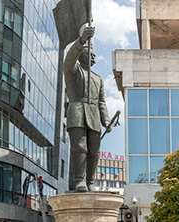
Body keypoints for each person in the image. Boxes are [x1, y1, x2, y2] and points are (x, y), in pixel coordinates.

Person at [64, 26, 112, 192]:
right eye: (90, 53)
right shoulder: (73, 71)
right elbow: (69, 58)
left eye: (94, 55)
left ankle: (90, 181)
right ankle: (80, 180)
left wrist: (106, 120)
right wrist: (82, 40)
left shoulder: (98, 79)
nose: (93, 57)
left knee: (94, 150)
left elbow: (102, 102)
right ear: (81, 55)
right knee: (80, 147)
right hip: (77, 110)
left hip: (94, 115)